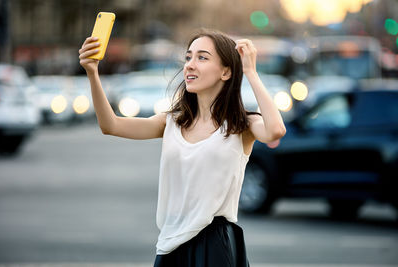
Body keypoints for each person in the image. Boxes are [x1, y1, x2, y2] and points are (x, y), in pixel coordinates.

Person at [79, 28, 286, 267]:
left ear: (226, 71)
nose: (190, 65)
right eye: (188, 57)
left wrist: (250, 72)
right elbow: (111, 125)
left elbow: (275, 130)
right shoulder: (171, 122)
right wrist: (92, 73)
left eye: (202, 57)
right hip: (170, 243)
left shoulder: (241, 124)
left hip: (215, 244)